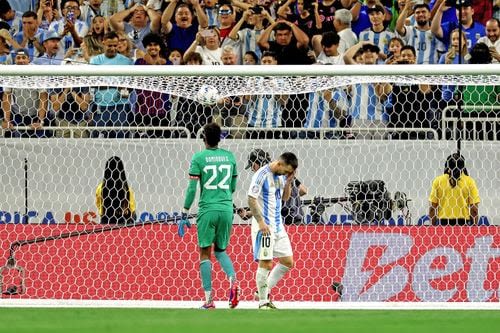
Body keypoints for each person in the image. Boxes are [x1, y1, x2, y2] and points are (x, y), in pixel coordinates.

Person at [178, 122, 239, 309]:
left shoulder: (199, 158)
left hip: (207, 210)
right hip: (227, 209)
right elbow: (233, 187)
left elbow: (191, 188)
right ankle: (233, 280)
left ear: (203, 138)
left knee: (205, 253)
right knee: (221, 251)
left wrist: (185, 212)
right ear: (220, 138)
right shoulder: (230, 157)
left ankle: (209, 300)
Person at [248, 151, 298, 309]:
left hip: (278, 226)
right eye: (287, 171)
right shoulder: (261, 174)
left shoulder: (282, 176)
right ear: (280, 164)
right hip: (264, 227)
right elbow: (251, 199)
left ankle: (262, 291)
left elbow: (284, 198)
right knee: (266, 263)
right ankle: (263, 302)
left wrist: (289, 182)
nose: (287, 173)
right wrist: (261, 222)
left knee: (287, 261)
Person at [428, 153, 480, 226]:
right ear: (463, 166)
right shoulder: (470, 181)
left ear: (447, 165)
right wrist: (474, 226)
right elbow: (474, 209)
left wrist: (433, 226)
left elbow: (432, 208)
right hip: (463, 224)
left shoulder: (438, 181)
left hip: (444, 224)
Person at [95, 156, 136, 225]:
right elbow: (132, 210)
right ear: (121, 170)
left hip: (106, 222)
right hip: (124, 222)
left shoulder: (100, 188)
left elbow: (99, 205)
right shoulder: (127, 188)